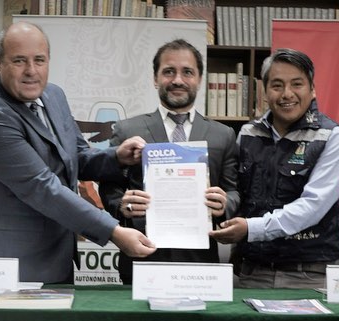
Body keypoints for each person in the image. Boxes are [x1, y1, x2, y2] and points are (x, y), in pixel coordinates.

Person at [0, 21, 155, 283]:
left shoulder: (54, 95)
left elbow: (76, 156)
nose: (31, 71)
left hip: (56, 255)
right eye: (19, 61)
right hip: (10, 265)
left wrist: (116, 156)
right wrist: (113, 231)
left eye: (39, 60)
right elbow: (43, 187)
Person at [210, 49, 339, 289]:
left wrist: (251, 228)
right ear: (264, 91)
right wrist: (222, 204)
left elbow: (312, 207)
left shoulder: (332, 137)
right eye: (277, 85)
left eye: (297, 84)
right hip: (252, 273)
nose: (287, 94)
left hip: (307, 275)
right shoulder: (248, 133)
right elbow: (237, 193)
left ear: (312, 89)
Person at [99, 39, 239, 284]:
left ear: (199, 79)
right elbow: (109, 188)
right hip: (142, 259)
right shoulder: (127, 130)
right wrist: (122, 204)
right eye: (168, 72)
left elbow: (235, 191)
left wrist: (224, 204)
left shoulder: (223, 135)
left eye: (187, 72)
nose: (177, 80)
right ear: (155, 78)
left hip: (201, 263)